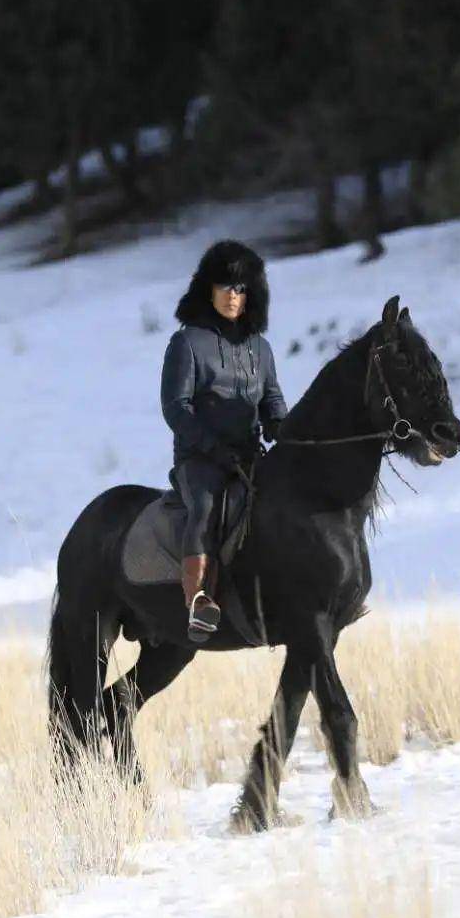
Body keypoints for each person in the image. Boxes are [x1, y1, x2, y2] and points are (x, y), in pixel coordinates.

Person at [160, 240, 288, 641]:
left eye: (241, 288)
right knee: (205, 504)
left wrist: (283, 428)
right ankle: (198, 600)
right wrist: (213, 447)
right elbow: (175, 407)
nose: (234, 296)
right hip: (201, 460)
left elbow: (272, 400)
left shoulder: (260, 349)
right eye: (226, 286)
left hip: (250, 458)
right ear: (208, 289)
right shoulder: (187, 343)